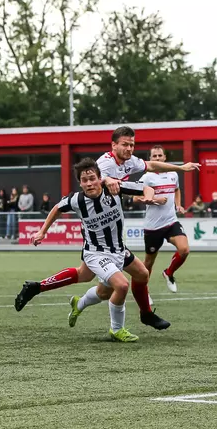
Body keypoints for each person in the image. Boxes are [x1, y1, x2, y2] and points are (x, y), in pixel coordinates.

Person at [14, 126, 200, 330]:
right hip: (97, 235)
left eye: (132, 144)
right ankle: (123, 326)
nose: (129, 148)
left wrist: (180, 169)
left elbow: (150, 167)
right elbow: (90, 179)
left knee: (101, 279)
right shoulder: (103, 164)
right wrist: (107, 179)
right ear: (113, 145)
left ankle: (43, 289)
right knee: (118, 285)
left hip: (114, 238)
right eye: (125, 144)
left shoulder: (130, 161)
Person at [30, 158, 149, 342]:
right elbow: (56, 209)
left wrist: (148, 196)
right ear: (80, 183)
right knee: (122, 285)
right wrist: (42, 231)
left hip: (118, 250)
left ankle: (80, 303)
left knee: (113, 288)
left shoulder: (114, 188)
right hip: (96, 253)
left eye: (92, 178)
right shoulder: (76, 199)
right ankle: (117, 329)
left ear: (100, 178)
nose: (89, 183)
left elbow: (145, 188)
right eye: (84, 180)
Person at [136, 146, 189, 294]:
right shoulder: (146, 177)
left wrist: (178, 205)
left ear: (165, 158)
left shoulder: (173, 174)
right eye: (154, 156)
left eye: (160, 156)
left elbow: (177, 189)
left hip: (171, 221)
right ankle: (143, 292)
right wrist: (154, 200)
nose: (158, 158)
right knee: (148, 263)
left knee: (184, 250)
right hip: (153, 227)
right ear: (150, 159)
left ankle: (169, 273)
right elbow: (135, 198)